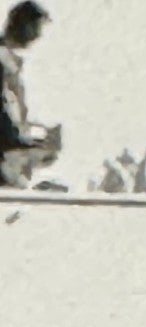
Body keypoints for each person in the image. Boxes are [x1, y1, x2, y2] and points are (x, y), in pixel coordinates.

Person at [0, 2, 57, 190]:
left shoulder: (9, 60)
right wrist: (16, 142)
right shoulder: (2, 59)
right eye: (36, 28)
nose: (37, 36)